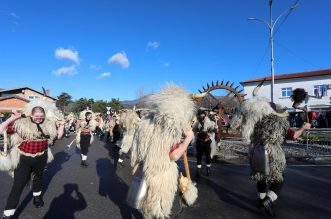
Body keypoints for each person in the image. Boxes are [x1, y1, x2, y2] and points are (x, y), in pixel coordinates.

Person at [0, 100, 65, 219]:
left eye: (41, 116)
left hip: (41, 157)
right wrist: (12, 118)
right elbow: (1, 129)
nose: (39, 118)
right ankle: (8, 212)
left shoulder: (49, 124)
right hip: (23, 158)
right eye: (36, 116)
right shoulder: (21, 124)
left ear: (44, 115)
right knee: (18, 184)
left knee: (38, 178)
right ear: (31, 114)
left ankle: (37, 198)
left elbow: (59, 136)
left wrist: (62, 125)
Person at [193, 110, 217, 179]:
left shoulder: (209, 123)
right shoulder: (196, 123)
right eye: (200, 117)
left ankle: (208, 169)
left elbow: (213, 130)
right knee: (199, 156)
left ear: (205, 116)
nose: (201, 118)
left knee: (208, 156)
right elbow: (193, 130)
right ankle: (198, 170)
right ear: (198, 116)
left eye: (203, 116)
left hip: (207, 142)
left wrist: (214, 129)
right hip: (199, 141)